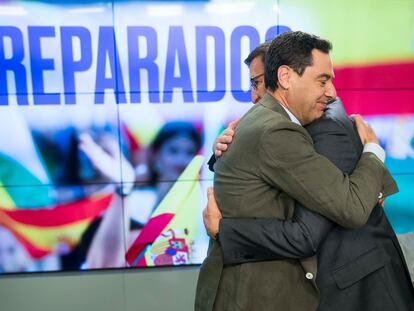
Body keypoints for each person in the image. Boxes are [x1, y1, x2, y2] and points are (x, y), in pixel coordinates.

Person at [195, 31, 398, 311]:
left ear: (282, 77)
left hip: (355, 287)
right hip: (251, 291)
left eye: (259, 83)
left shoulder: (319, 124)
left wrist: (372, 154)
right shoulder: (272, 126)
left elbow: (325, 221)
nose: (255, 96)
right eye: (323, 81)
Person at [82, 121, 202, 268]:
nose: (181, 160)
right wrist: (123, 187)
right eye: (173, 150)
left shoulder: (202, 203)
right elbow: (105, 263)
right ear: (156, 155)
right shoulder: (133, 201)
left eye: (189, 153)